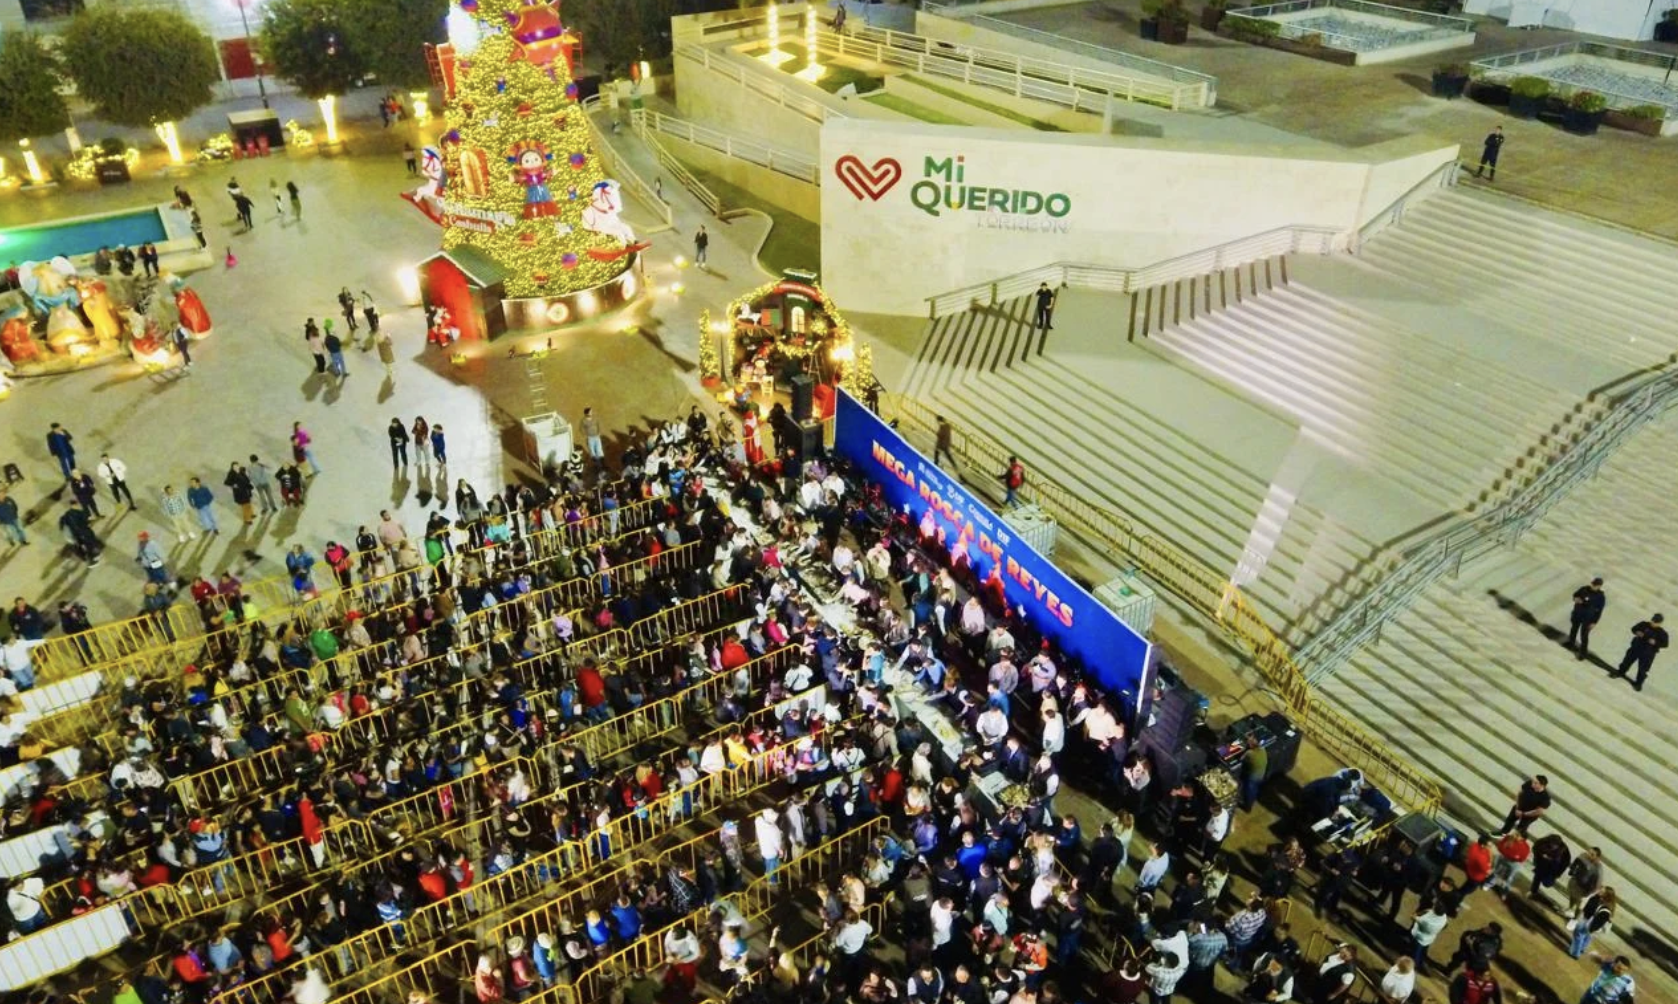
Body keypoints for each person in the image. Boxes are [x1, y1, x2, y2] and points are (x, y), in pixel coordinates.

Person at [1614, 614, 1667, 691]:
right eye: (1653, 620)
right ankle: (1620, 672)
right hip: (1636, 647)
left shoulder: (1662, 633)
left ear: (1660, 623)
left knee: (1643, 669)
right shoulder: (1644, 624)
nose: (1653, 623)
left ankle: (1638, 684)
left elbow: (1665, 644)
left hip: (1648, 653)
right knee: (1627, 661)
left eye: (1656, 622)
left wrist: (1655, 642)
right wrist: (1637, 632)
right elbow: (1633, 628)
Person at [1568, 888, 1616, 959]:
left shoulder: (1604, 906)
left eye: (1602, 891)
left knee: (1578, 934)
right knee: (1587, 937)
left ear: (1606, 895)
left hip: (1589, 923)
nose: (1599, 890)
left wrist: (1590, 929)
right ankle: (1581, 948)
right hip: (1592, 924)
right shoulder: (1603, 901)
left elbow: (1590, 910)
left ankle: (1575, 953)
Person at [1566, 578, 1606, 658]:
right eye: (1593, 584)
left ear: (1599, 586)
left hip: (1588, 618)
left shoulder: (1600, 597)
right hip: (1577, 614)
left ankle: (1583, 653)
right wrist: (1575, 598)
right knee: (1574, 629)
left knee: (1584, 636)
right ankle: (1571, 643)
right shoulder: (1584, 589)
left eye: (1595, 585)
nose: (1593, 586)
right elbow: (1575, 594)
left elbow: (1599, 611)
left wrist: (1594, 622)